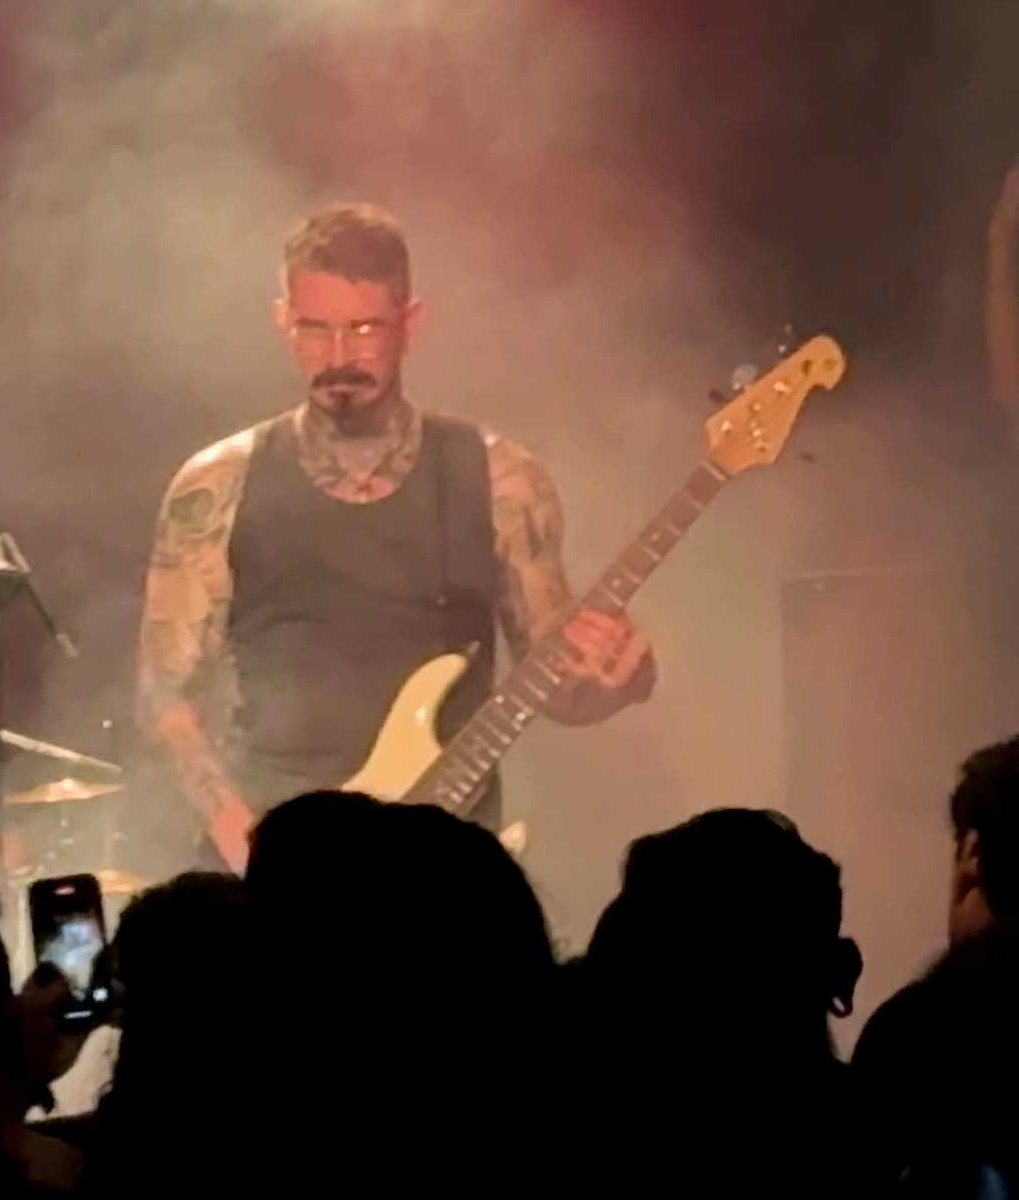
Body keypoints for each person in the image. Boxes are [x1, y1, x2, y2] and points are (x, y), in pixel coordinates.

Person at [137, 203, 655, 871]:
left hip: (447, 863)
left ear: (410, 323)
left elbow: (558, 691)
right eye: (315, 329)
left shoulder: (502, 480)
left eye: (364, 329)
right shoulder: (217, 486)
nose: (339, 357)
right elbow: (165, 696)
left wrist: (624, 677)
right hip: (278, 858)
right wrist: (238, 833)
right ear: (283, 322)